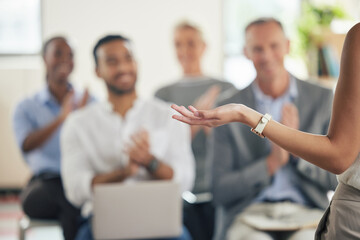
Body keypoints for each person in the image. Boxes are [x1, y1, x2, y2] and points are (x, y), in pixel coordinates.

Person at [172, 21, 360, 240]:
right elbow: (220, 191)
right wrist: (269, 164)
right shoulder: (228, 106)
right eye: (258, 49)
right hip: (249, 216)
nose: (267, 56)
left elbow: (335, 175)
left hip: (306, 214)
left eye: (274, 46)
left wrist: (296, 154)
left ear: (288, 46)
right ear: (246, 52)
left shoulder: (320, 98)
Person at [60, 35, 195, 240]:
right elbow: (75, 190)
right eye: (112, 61)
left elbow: (185, 180)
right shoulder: (78, 124)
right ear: (98, 71)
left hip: (160, 223)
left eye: (128, 58)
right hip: (102, 225)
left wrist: (149, 162)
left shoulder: (168, 116)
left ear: (137, 64)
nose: (123, 67)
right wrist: (123, 173)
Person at [155, 21, 235, 240]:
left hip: (218, 188)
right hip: (179, 191)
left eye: (191, 43)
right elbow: (159, 152)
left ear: (204, 46)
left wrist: (209, 126)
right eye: (178, 44)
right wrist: (197, 121)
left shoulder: (226, 90)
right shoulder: (162, 95)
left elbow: (236, 148)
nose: (184, 51)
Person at [12, 36, 90, 240]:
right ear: (44, 58)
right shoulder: (26, 106)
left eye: (71, 55)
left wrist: (81, 119)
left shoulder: (88, 102)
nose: (65, 59)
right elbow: (26, 144)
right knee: (71, 199)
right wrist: (62, 118)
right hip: (45, 183)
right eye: (58, 53)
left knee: (75, 200)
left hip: (81, 179)